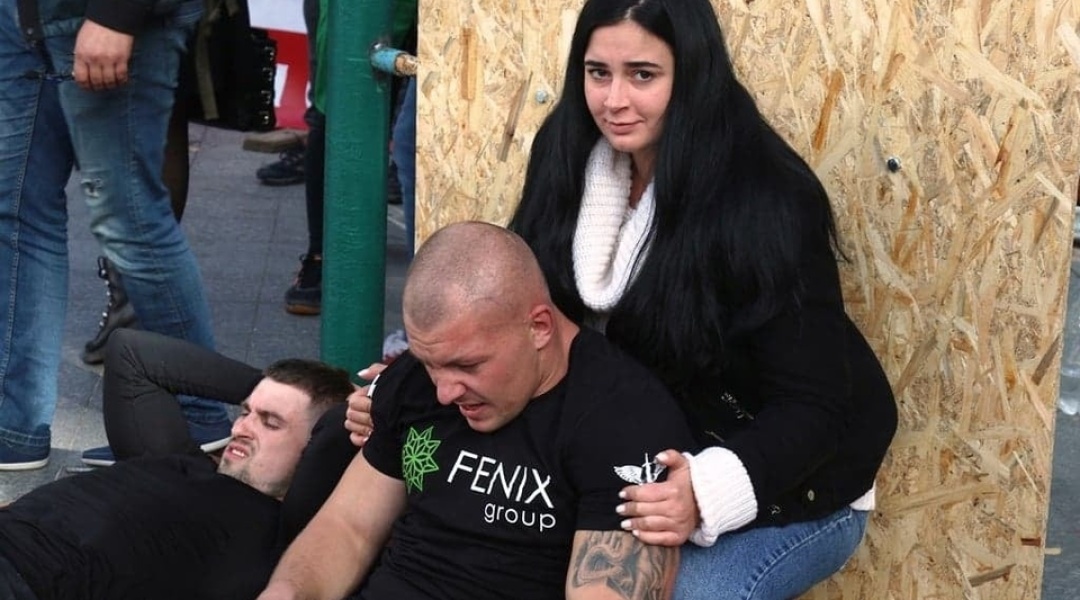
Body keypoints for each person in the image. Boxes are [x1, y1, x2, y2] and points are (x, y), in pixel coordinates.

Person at [342, 0, 899, 597]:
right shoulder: (566, 150)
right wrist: (414, 385)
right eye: (597, 73)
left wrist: (706, 491)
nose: (614, 100)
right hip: (631, 455)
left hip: (789, 483)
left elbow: (816, 408)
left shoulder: (765, 200)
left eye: (643, 75)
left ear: (692, 73)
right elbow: (517, 307)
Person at [257, 221, 694, 600]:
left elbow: (605, 585)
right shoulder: (417, 378)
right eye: (430, 365)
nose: (445, 392)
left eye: (468, 366)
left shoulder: (624, 421)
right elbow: (348, 528)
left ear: (539, 327)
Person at [0, 0, 231, 470]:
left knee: (130, 219)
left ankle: (198, 415)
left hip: (102, 14)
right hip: (24, 14)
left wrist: (117, 14)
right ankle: (15, 427)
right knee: (17, 209)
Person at [0, 328, 357, 599]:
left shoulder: (279, 535)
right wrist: (271, 387)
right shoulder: (176, 459)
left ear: (316, 449)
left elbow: (334, 442)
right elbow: (130, 352)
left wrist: (363, 402)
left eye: (271, 423)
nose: (241, 428)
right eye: (245, 412)